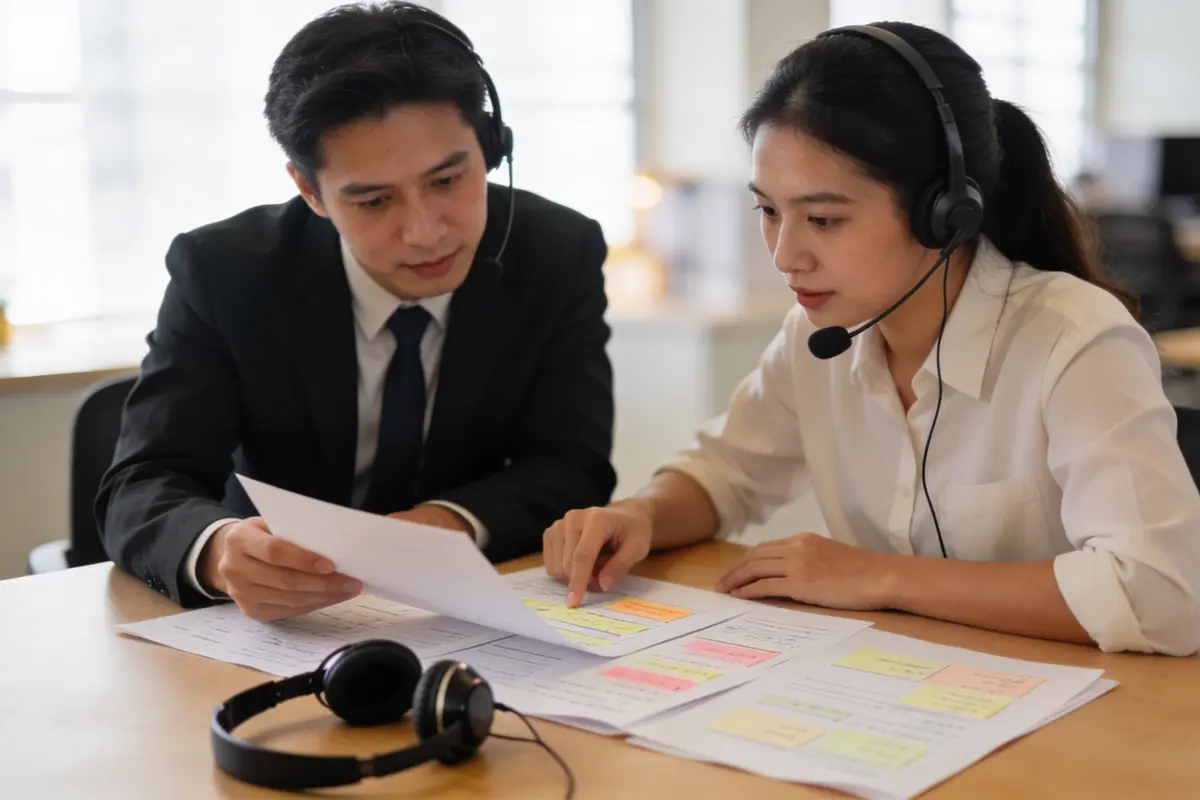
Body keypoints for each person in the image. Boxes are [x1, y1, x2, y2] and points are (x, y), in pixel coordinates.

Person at [543, 22, 1200, 656]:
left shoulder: (1074, 339)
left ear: (945, 213)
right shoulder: (818, 336)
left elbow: (1158, 594)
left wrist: (879, 576)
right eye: (768, 211)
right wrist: (642, 515)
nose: (785, 255)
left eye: (824, 219)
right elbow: (724, 473)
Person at [96, 2, 616, 621]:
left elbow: (571, 464)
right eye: (374, 201)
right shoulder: (226, 272)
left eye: (447, 181)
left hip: (468, 612)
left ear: (491, 149)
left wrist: (446, 524)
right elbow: (142, 482)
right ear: (310, 191)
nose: (425, 233)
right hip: (274, 622)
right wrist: (218, 551)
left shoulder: (557, 252)